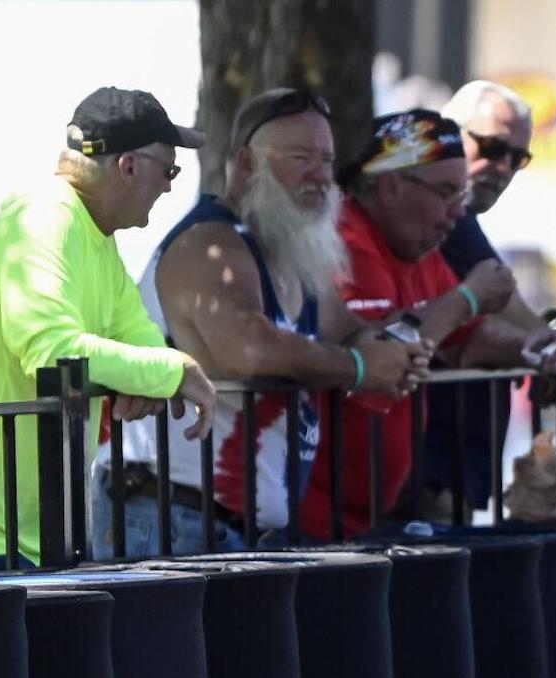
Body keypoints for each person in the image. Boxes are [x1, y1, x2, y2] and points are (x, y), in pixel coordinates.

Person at [102, 87, 426, 556]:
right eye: (301, 157)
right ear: (248, 164)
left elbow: (347, 327)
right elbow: (248, 351)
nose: (319, 175)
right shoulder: (209, 244)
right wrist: (358, 368)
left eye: (327, 160)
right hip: (170, 518)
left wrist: (394, 348)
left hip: (229, 526)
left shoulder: (290, 253)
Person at [0, 87, 218, 572]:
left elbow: (138, 339)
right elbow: (51, 350)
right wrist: (166, 373)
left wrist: (153, 374)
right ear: (128, 167)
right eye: (169, 170)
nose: (169, 187)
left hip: (29, 534)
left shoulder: (98, 240)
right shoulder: (44, 216)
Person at [303, 109, 535, 538]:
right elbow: (383, 348)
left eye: (461, 196)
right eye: (446, 192)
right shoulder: (346, 238)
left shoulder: (419, 248)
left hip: (371, 512)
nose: (456, 213)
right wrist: (467, 297)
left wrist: (533, 350)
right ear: (391, 186)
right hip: (317, 518)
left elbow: (466, 340)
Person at [414, 79, 556, 519]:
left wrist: (538, 345)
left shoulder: (457, 219)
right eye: (490, 146)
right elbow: (499, 298)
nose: (502, 166)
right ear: (448, 135)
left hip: (448, 461)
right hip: (427, 457)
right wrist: (544, 342)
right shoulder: (446, 214)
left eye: (517, 157)